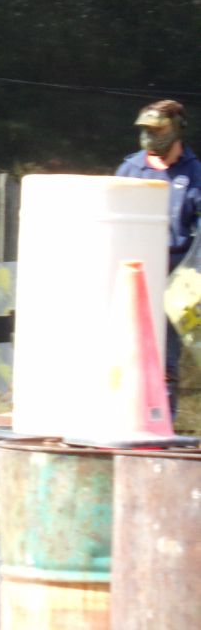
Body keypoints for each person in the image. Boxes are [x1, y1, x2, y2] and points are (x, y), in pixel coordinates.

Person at [114, 99, 201, 417]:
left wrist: (193, 277)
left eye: (158, 130)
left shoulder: (195, 174)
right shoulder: (130, 170)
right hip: (131, 279)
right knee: (122, 355)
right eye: (146, 130)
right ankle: (123, 418)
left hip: (174, 283)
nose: (150, 137)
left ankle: (160, 423)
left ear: (177, 130)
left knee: (164, 361)